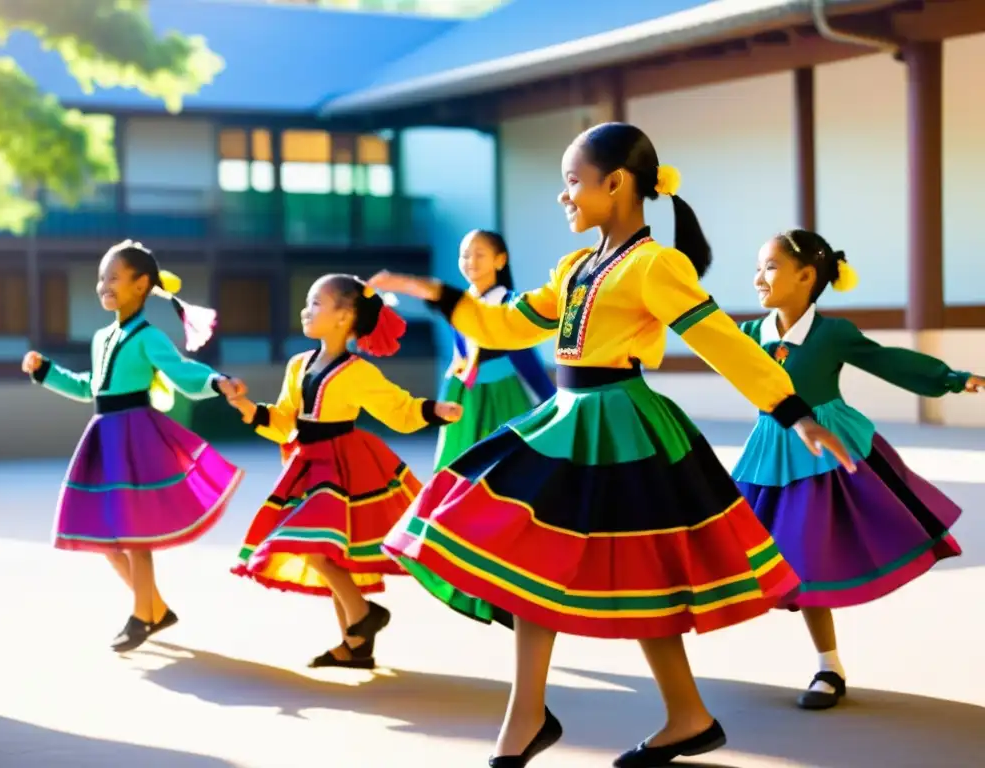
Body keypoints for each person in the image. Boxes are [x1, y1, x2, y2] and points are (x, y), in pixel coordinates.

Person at [369, 122, 855, 767]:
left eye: (573, 182)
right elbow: (508, 325)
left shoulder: (656, 264)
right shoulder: (576, 266)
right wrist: (435, 292)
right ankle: (630, 715)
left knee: (633, 570)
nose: (564, 197)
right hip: (568, 418)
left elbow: (723, 342)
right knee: (543, 558)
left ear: (617, 183)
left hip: (619, 426)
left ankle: (637, 715)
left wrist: (793, 411)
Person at [733, 228, 982, 710]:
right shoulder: (746, 334)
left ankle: (828, 667)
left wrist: (951, 379)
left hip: (828, 452)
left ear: (806, 276)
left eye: (769, 266)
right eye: (759, 266)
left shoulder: (832, 334)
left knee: (810, 558)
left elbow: (888, 362)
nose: (758, 277)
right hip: (770, 451)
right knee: (746, 551)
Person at [22, 239, 246, 653]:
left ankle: (143, 615)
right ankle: (154, 607)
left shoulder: (149, 337)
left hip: (135, 438)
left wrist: (217, 381)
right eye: (100, 278)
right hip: (104, 437)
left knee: (134, 536)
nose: (103, 285)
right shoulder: (102, 337)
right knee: (107, 539)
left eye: (113, 278)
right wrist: (46, 372)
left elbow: (182, 371)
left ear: (141, 285)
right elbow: (90, 386)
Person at [228, 274, 462, 669]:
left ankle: (364, 615)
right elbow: (286, 419)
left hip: (341, 469)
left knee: (317, 547)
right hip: (306, 464)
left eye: (317, 303)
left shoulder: (356, 372)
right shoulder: (298, 364)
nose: (306, 310)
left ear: (344, 316)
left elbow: (396, 407)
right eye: (308, 302)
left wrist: (433, 410)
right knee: (330, 552)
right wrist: (249, 408)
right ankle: (356, 646)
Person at [434, 229, 555, 470]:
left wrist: (551, 400)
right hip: (465, 393)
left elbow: (525, 355)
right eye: (465, 255)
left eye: (479, 254)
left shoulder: (510, 303)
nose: (471, 262)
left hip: (502, 391)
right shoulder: (461, 304)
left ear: (500, 260)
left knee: (508, 463)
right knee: (457, 461)